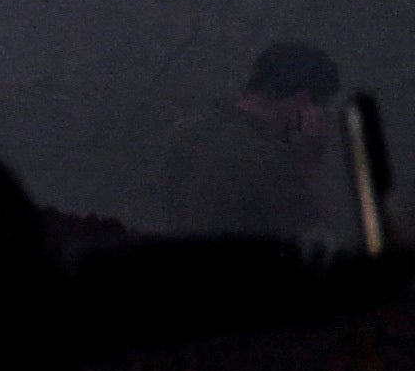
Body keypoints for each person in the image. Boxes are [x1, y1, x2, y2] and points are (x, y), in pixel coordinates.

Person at [151, 40, 359, 248]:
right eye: (321, 108)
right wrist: (308, 165)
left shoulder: (184, 136)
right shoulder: (269, 161)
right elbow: (320, 245)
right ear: (303, 103)